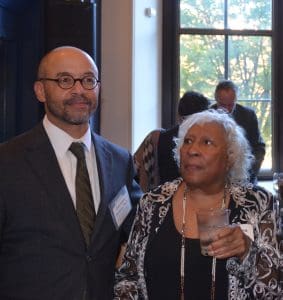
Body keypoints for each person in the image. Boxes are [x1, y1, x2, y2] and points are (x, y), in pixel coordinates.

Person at [0, 46, 142, 300]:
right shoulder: (7, 162)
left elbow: (142, 229)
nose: (79, 90)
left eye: (88, 80)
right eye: (65, 80)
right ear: (40, 91)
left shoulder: (120, 161)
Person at [114, 109, 282, 299]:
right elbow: (128, 277)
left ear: (230, 157)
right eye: (187, 141)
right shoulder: (153, 202)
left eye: (207, 142)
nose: (192, 150)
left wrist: (248, 252)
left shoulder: (258, 204)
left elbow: (275, 290)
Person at [134, 91, 210, 192]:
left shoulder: (156, 137)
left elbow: (135, 166)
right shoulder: (209, 144)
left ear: (178, 114)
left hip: (161, 199)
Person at [211, 79, 266, 183]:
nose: (227, 109)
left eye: (231, 104)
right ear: (216, 99)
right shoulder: (207, 117)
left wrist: (248, 172)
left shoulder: (249, 115)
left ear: (236, 99)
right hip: (215, 175)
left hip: (246, 174)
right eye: (223, 105)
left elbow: (259, 147)